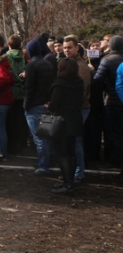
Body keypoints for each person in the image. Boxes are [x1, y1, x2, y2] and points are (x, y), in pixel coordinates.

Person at [48, 57, 84, 195]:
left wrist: (49, 106)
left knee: (62, 153)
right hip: (75, 119)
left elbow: (55, 103)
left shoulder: (60, 83)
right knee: (71, 152)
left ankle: (67, 183)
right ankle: (70, 181)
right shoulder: (79, 82)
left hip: (61, 121)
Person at [24, 39, 57, 176]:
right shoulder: (47, 64)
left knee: (39, 138)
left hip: (35, 105)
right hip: (46, 104)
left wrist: (26, 105)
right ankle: (47, 162)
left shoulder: (32, 66)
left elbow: (29, 88)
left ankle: (43, 166)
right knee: (46, 136)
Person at [93, 35, 123, 183]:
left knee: (114, 133)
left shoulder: (108, 60)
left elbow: (98, 80)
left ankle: (115, 160)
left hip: (112, 101)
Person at [63, 35, 92, 184]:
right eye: (65, 47)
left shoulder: (81, 66)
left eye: (69, 47)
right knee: (72, 141)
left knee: (77, 141)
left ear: (77, 48)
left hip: (79, 108)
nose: (66, 50)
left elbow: (84, 90)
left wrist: (72, 107)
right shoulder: (69, 63)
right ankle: (73, 171)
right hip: (72, 109)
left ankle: (79, 172)